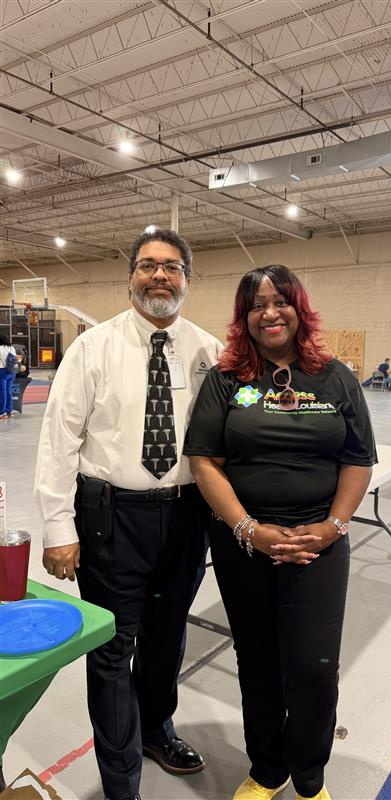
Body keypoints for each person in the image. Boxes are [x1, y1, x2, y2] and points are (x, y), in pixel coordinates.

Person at [34, 228, 222, 800]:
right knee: (113, 649)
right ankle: (121, 783)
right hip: (112, 521)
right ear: (131, 277)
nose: (159, 275)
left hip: (186, 519)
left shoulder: (211, 353)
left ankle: (157, 730)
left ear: (187, 279)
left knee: (167, 639)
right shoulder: (92, 348)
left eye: (171, 266)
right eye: (147, 265)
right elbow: (59, 442)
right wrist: (58, 528)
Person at [184, 265, 377, 800]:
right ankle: (268, 769)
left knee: (314, 666)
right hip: (244, 545)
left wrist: (333, 526)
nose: (269, 313)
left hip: (320, 545)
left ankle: (310, 777)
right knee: (258, 660)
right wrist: (250, 529)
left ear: (299, 308)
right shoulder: (226, 380)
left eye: (280, 302)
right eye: (256, 305)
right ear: (243, 317)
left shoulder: (335, 378)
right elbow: (204, 461)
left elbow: (358, 459)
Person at [0, 335, 17, 419]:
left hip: (2, 371)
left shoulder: (0, 348)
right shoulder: (12, 348)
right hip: (11, 371)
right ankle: (10, 411)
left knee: (2, 392)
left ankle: (2, 412)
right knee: (9, 391)